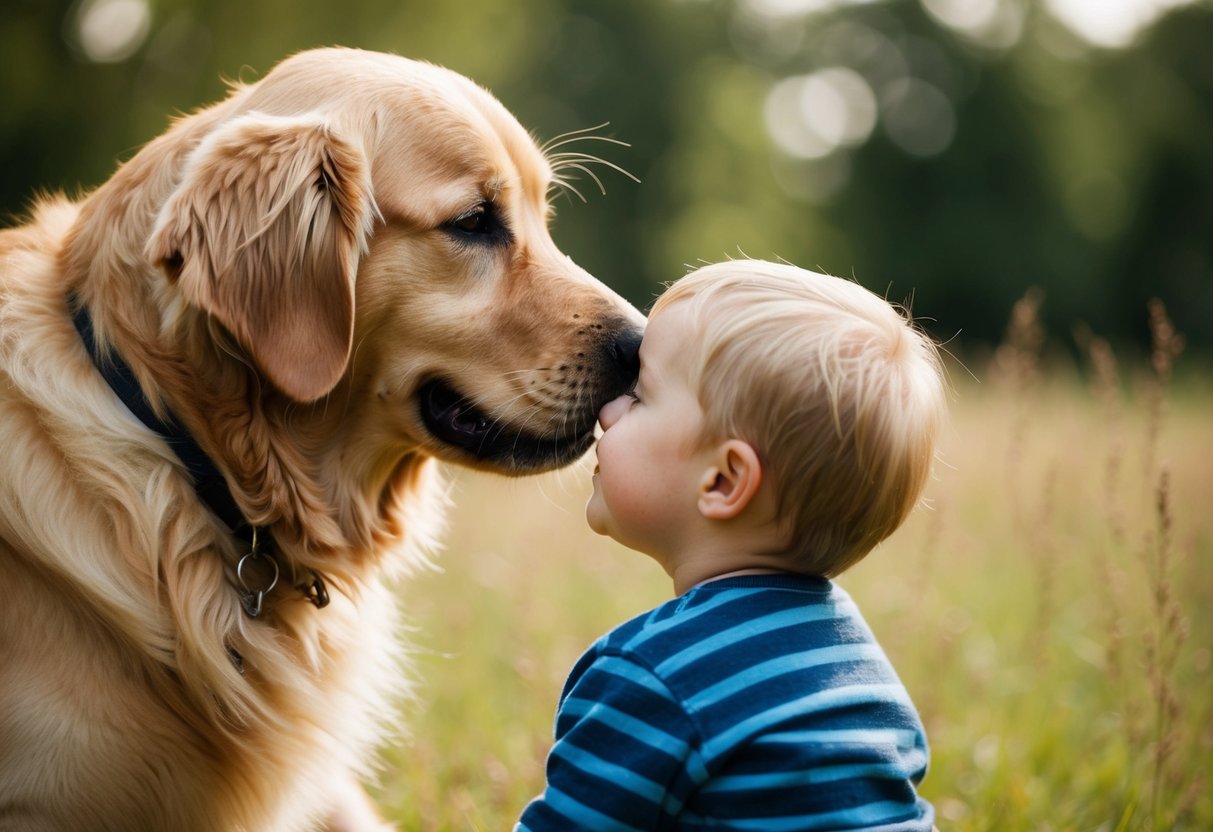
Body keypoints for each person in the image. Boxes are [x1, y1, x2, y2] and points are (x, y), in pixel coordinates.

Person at [515, 259, 947, 831]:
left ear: (723, 481)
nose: (608, 410)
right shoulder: (861, 675)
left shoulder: (653, 678)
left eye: (640, 395)